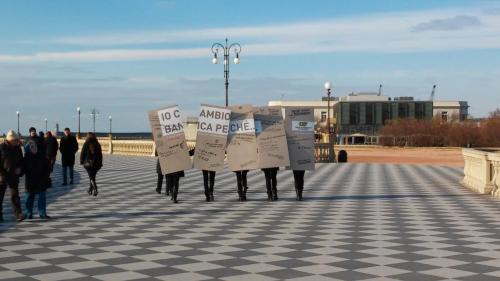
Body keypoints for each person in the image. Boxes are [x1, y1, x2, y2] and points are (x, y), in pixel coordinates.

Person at [24, 127, 51, 219]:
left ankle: (42, 213)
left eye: (34, 146)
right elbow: (23, 165)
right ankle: (29, 213)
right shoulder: (27, 155)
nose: (33, 148)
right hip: (31, 176)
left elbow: (46, 163)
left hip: (41, 176)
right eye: (32, 147)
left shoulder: (41, 152)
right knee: (29, 195)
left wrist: (47, 173)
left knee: (42, 195)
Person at [0, 131, 25, 222]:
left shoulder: (17, 148)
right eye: (15, 140)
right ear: (10, 140)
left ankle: (18, 214)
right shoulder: (2, 147)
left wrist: (20, 169)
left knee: (15, 196)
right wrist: (1, 174)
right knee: (0, 196)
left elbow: (21, 161)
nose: (17, 141)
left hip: (13, 175)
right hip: (3, 175)